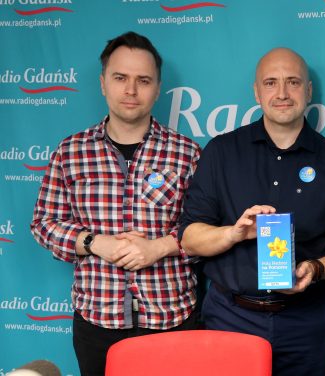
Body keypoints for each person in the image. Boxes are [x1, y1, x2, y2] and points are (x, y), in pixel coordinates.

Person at [178, 47, 325, 376]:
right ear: (256, 92)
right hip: (230, 318)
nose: (281, 93)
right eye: (270, 83)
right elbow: (190, 240)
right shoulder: (220, 152)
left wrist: (315, 268)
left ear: (308, 91)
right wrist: (233, 233)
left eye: (292, 82)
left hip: (306, 323)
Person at [30, 31, 201, 376]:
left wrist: (160, 247)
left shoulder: (187, 153)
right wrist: (94, 243)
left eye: (143, 80)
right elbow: (44, 223)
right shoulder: (71, 152)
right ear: (103, 83)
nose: (131, 90)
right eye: (120, 78)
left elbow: (207, 229)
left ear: (157, 87)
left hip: (172, 317)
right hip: (97, 322)